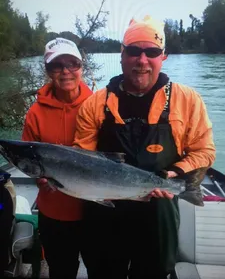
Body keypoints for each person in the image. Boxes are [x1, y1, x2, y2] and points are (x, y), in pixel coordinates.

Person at [73, 15, 216, 279]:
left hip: (158, 216)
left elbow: (204, 151)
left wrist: (174, 172)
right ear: (122, 53)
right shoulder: (94, 105)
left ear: (163, 56)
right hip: (106, 215)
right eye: (134, 51)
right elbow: (83, 160)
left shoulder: (187, 100)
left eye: (151, 52)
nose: (142, 60)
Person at [22, 37, 93, 278]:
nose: (66, 71)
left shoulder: (98, 105)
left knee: (102, 268)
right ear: (48, 71)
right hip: (54, 214)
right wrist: (38, 179)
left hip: (95, 211)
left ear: (81, 67)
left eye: (72, 64)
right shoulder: (35, 113)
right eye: (57, 66)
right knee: (61, 271)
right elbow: (28, 161)